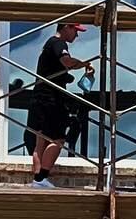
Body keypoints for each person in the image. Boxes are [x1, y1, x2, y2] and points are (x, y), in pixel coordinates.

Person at [27, 19, 93, 188]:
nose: (77, 35)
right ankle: (41, 179)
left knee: (40, 140)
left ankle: (37, 181)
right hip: (50, 98)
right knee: (58, 139)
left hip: (39, 96)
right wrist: (84, 64)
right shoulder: (58, 43)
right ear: (65, 27)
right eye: (75, 30)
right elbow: (67, 62)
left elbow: (59, 69)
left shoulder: (48, 45)